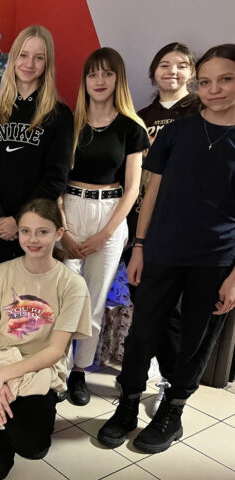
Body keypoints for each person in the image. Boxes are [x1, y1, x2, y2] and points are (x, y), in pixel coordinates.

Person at [98, 44, 235, 454]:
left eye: (226, 79)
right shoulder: (178, 131)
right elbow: (151, 192)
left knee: (195, 339)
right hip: (161, 250)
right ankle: (127, 403)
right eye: (206, 82)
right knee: (143, 333)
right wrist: (139, 246)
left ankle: (172, 411)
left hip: (216, 260)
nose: (214, 89)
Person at [0, 198, 91, 480]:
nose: (32, 239)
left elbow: (55, 351)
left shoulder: (72, 284)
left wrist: (3, 377)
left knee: (33, 447)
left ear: (59, 233)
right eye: (25, 231)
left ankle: (9, 420)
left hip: (38, 370)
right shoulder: (0, 273)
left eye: (42, 232)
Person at [59, 47, 150, 406]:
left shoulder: (131, 128)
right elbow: (55, 179)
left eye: (107, 74)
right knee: (62, 297)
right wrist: (63, 230)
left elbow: (133, 190)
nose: (99, 80)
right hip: (68, 209)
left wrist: (105, 234)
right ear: (84, 80)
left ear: (118, 79)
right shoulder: (70, 123)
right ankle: (56, 369)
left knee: (94, 302)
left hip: (109, 213)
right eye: (93, 73)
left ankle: (79, 371)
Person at [0, 25, 73, 276]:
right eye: (24, 55)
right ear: (14, 58)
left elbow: (56, 177)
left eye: (39, 58)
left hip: (37, 225)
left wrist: (21, 221)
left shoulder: (59, 115)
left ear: (47, 64)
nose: (29, 63)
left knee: (33, 293)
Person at [134, 42, 200, 416]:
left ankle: (169, 382)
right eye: (164, 64)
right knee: (145, 304)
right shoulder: (140, 116)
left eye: (181, 65)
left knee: (173, 313)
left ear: (192, 72)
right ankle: (139, 376)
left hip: (179, 228)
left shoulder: (200, 112)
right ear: (153, 72)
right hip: (140, 222)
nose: (171, 71)